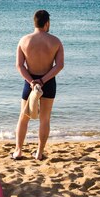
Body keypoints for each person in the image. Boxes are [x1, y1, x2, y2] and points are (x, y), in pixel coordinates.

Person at [12, 10, 64, 161]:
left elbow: (19, 66)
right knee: (45, 119)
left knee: (23, 117)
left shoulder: (24, 40)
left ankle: (18, 151)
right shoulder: (55, 41)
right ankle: (39, 153)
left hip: (30, 82)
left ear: (34, 22)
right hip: (48, 82)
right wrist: (43, 80)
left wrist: (32, 82)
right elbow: (59, 65)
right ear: (47, 23)